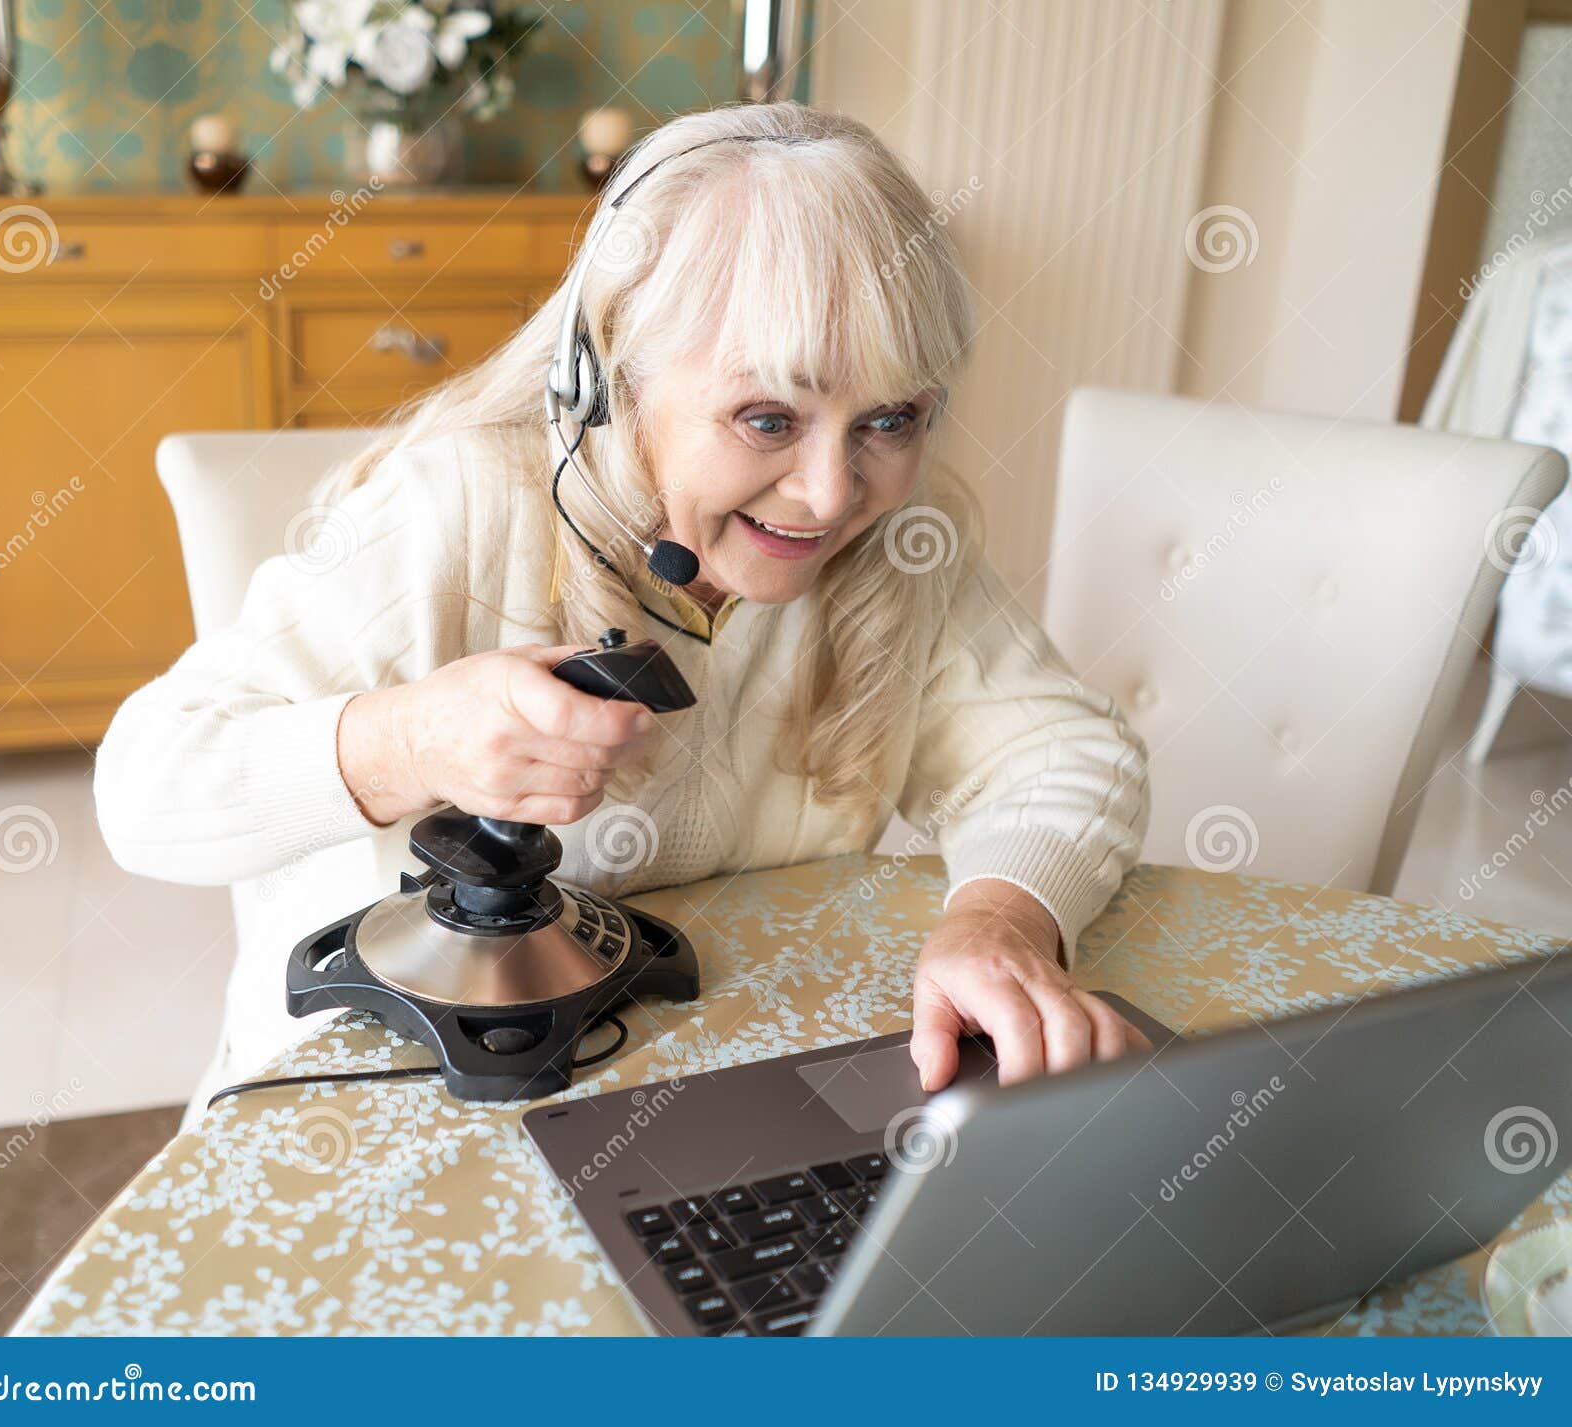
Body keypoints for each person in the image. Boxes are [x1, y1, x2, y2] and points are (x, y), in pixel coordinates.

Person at [95, 102, 1150, 1122]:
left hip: (715, 1106)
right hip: (382, 1106)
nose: (831, 492)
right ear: (605, 375)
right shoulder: (452, 506)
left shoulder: (898, 550)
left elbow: (1061, 753)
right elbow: (147, 787)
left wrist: (1001, 915)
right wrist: (409, 739)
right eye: (767, 416)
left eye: (888, 418)